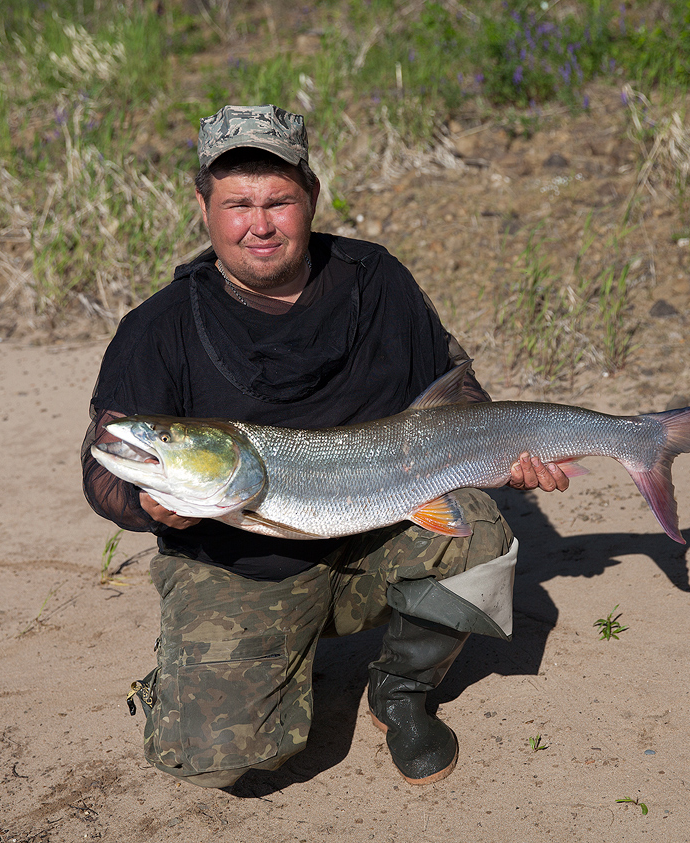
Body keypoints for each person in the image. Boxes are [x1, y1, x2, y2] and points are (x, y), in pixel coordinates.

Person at [81, 104, 569, 789]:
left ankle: (401, 690)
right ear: (203, 206)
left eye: (279, 201)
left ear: (311, 195)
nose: (260, 224)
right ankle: (218, 663)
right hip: (241, 566)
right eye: (238, 204)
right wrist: (145, 505)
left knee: (480, 536)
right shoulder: (157, 328)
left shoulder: (378, 279)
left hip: (379, 531)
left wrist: (506, 450)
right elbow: (101, 462)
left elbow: (456, 389)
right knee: (213, 757)